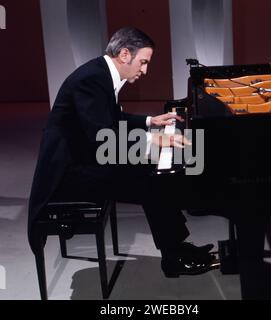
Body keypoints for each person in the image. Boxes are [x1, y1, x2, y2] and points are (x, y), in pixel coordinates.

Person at [28, 27, 216, 278]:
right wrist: (154, 141)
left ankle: (177, 248)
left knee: (156, 174)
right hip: (69, 173)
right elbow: (102, 138)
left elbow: (112, 119)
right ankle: (173, 258)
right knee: (153, 180)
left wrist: (151, 121)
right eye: (143, 62)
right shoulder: (92, 79)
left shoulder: (100, 73)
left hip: (85, 157)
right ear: (125, 54)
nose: (145, 70)